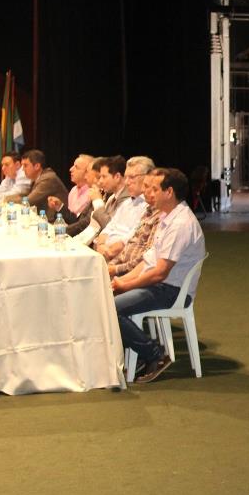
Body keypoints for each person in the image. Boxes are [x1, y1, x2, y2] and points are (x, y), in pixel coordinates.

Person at [112, 168, 205, 382]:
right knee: (108, 297)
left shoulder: (181, 223)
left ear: (169, 192)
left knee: (113, 308)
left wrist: (127, 286)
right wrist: (122, 281)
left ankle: (155, 355)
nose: (149, 193)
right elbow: (148, 261)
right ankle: (136, 358)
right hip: (161, 284)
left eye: (155, 189)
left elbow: (160, 273)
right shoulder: (167, 217)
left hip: (171, 290)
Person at [92, 157, 153, 259]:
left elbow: (134, 236)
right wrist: (101, 245)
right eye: (126, 177)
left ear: (147, 177)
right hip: (106, 253)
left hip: (124, 257)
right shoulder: (127, 203)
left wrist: (109, 251)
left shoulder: (150, 206)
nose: (127, 182)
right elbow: (109, 227)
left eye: (132, 177)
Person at [107, 169, 163, 277]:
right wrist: (111, 265)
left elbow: (147, 258)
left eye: (146, 186)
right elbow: (130, 243)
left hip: (134, 274)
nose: (143, 190)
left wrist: (116, 271)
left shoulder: (160, 216)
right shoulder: (147, 212)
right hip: (120, 265)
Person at [5, 149, 68, 220]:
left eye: (25, 165)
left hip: (58, 222)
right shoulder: (38, 178)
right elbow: (26, 194)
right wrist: (7, 198)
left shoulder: (48, 179)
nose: (22, 170)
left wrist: (6, 200)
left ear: (37, 166)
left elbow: (29, 200)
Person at [46, 156, 100, 237]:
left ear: (87, 172)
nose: (71, 169)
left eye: (76, 167)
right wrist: (60, 206)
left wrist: (59, 231)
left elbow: (83, 224)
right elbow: (73, 220)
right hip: (70, 233)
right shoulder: (73, 190)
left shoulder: (93, 193)